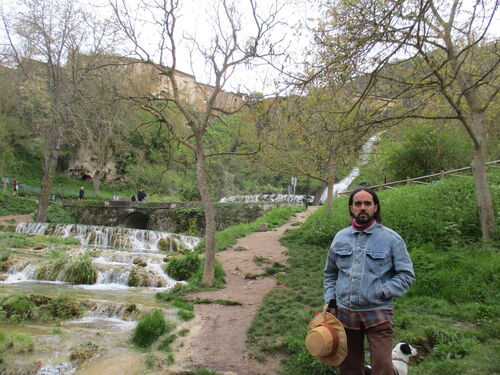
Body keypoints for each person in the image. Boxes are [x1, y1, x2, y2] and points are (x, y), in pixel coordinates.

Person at [323, 187, 415, 375]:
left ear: (375, 207)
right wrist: (330, 299)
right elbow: (330, 273)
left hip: (378, 313)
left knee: (383, 366)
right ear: (351, 208)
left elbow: (406, 275)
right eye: (358, 204)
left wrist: (381, 291)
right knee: (349, 368)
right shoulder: (340, 238)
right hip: (345, 314)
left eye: (367, 203)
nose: (362, 207)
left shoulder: (391, 239)